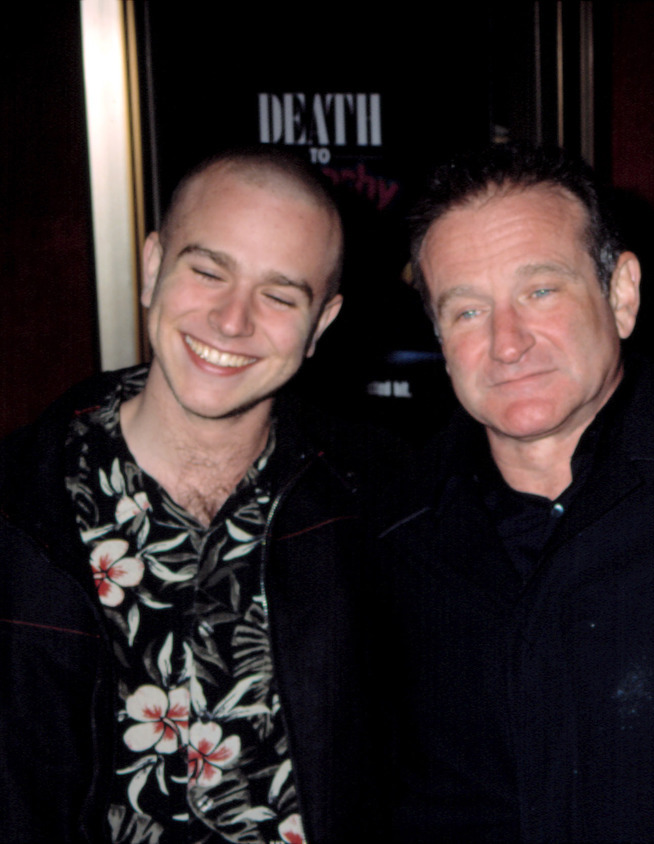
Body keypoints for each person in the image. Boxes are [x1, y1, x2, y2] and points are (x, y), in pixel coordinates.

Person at [379, 143, 654, 842]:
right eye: (467, 311)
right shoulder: (384, 528)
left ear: (621, 293)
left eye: (540, 292)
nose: (507, 343)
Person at [0, 149, 388, 843]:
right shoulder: (16, 507)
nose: (232, 320)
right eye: (208, 271)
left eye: (278, 295)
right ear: (153, 266)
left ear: (321, 324)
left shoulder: (378, 509)